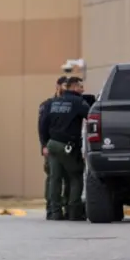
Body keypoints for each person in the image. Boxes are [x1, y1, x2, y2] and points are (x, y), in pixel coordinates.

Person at [39, 76, 89, 221]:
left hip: (52, 144)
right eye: (80, 87)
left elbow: (43, 125)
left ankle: (54, 212)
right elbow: (92, 116)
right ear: (73, 87)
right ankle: (74, 211)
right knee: (75, 176)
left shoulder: (51, 103)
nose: (83, 89)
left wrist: (43, 145)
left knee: (54, 177)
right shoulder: (78, 102)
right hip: (68, 146)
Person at [38, 76, 70, 219]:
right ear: (57, 86)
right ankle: (52, 208)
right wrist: (43, 145)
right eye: (64, 85)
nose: (66, 88)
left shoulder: (72, 103)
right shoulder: (48, 104)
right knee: (53, 177)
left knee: (69, 177)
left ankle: (68, 207)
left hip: (68, 146)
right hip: (51, 145)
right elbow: (41, 126)